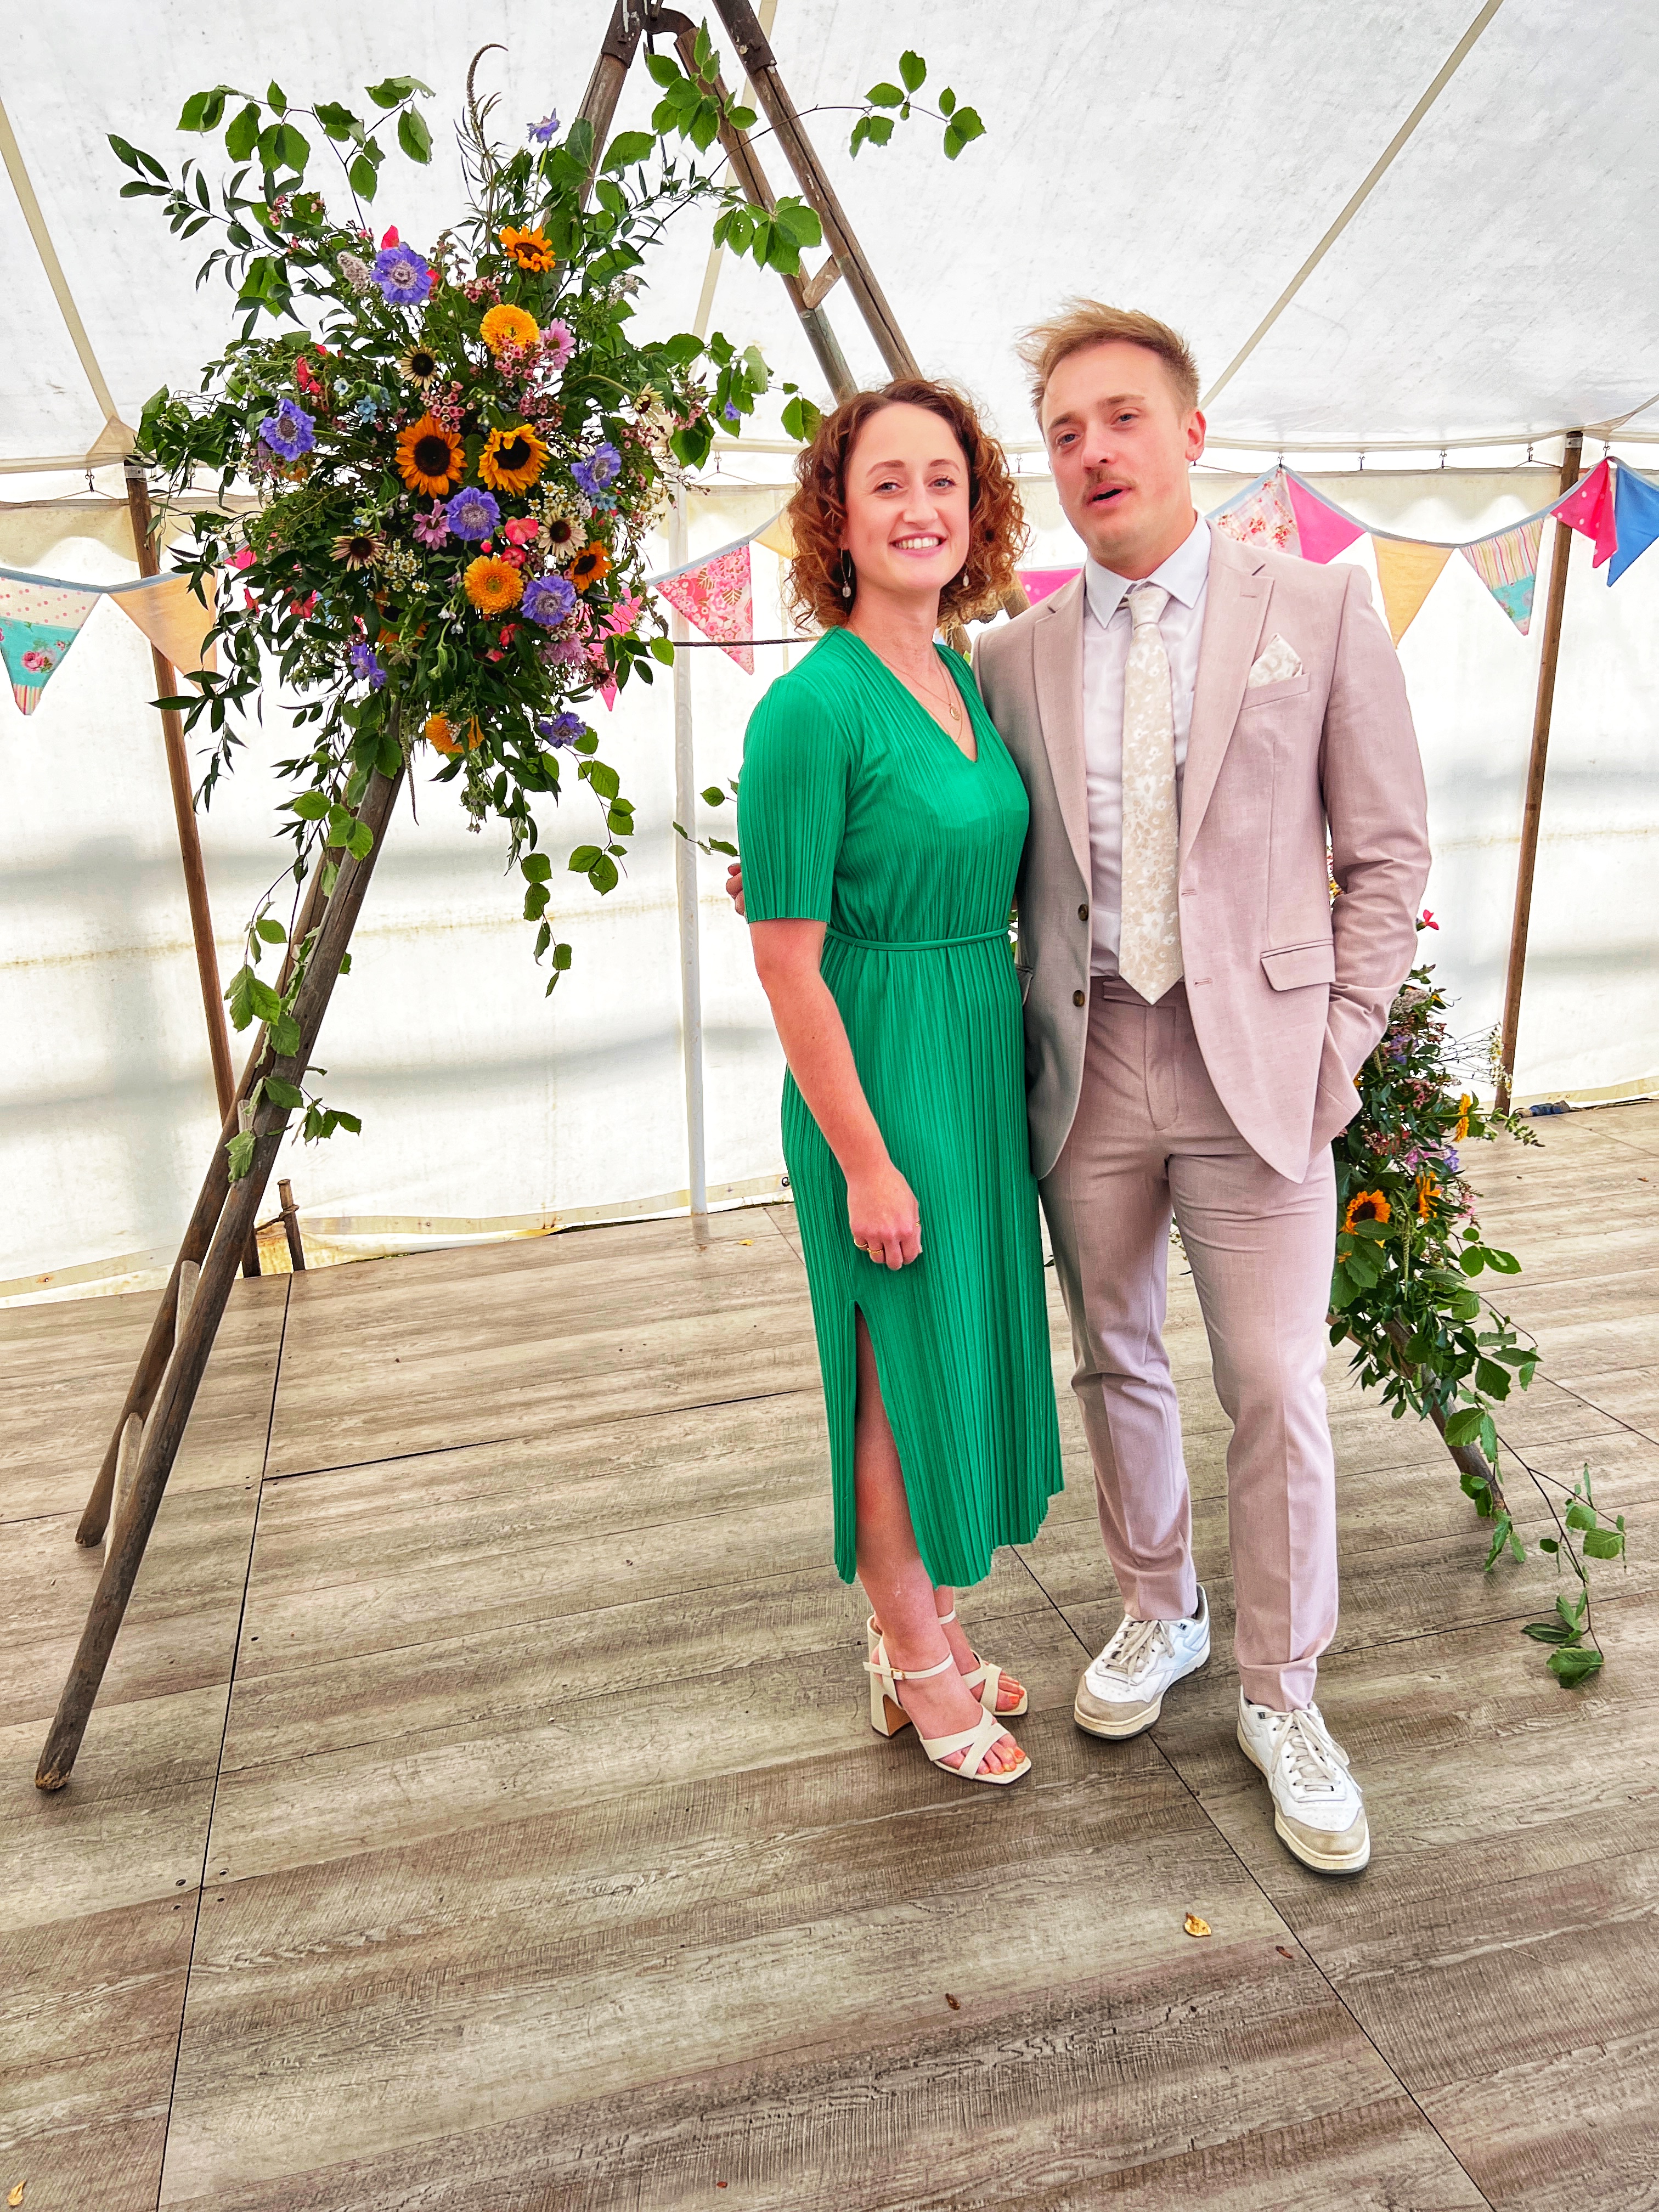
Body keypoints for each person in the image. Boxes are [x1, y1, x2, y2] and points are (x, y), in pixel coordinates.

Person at [735, 306, 1430, 1872]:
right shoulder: (1008, 655)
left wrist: (1337, 1051)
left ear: (1191, 433)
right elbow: (894, 831)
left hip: (1260, 1069)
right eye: (1064, 432)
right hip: (1078, 1059)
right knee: (1111, 1358)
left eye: (1122, 417)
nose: (1095, 450)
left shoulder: (1319, 605)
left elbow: (1388, 856)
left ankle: (1285, 1694)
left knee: (1275, 1382)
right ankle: (1157, 1609)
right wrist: (782, 890)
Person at [736, 378, 1064, 1786]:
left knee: (949, 1355)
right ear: (838, 517)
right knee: (886, 1376)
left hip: (973, 1056)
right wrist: (866, 1159)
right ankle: (918, 1664)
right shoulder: (810, 710)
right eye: (887, 482)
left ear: (978, 510)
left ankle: (919, 1624)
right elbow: (787, 964)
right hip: (877, 1067)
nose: (920, 507)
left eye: (945, 480)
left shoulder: (965, 678)